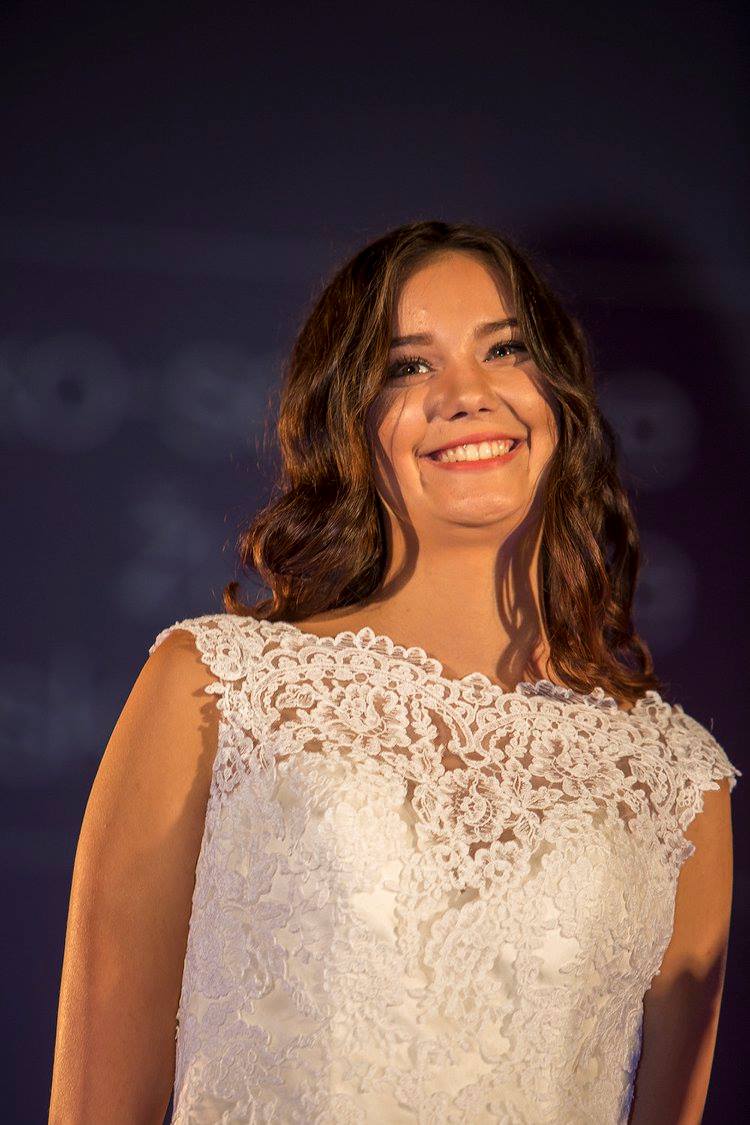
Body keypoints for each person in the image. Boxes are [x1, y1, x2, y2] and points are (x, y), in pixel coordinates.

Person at [49, 220, 741, 1124]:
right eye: (409, 366)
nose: (466, 394)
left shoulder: (677, 782)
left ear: (560, 396)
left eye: (505, 349)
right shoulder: (217, 687)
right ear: (351, 420)